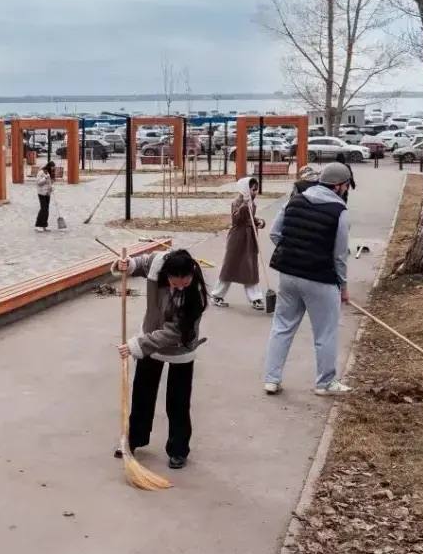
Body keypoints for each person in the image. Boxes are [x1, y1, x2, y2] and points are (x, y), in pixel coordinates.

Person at [262, 162, 353, 396]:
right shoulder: (340, 211)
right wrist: (343, 286)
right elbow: (339, 255)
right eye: (345, 187)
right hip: (320, 279)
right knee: (325, 332)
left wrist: (293, 250)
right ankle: (325, 383)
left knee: (282, 327)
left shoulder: (295, 199)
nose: (345, 191)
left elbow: (274, 233)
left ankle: (271, 379)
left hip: (288, 275)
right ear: (339, 186)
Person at [113, 249, 209, 469]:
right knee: (142, 394)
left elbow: (174, 332)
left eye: (186, 282)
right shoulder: (159, 265)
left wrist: (136, 345)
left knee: (178, 402)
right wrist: (128, 264)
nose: (181, 287)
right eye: (176, 284)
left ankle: (178, 449)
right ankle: (133, 439)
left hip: (181, 349)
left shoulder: (196, 295)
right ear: (167, 275)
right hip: (150, 337)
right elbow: (144, 262)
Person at [211, 177, 267, 310]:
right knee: (230, 266)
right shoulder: (237, 202)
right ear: (245, 189)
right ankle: (217, 295)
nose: (255, 193)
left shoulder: (252, 203)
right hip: (237, 238)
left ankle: (256, 298)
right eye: (253, 190)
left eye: (256, 190)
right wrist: (244, 206)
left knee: (251, 267)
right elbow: (236, 219)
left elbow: (251, 219)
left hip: (250, 238)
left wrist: (259, 222)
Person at [35, 161, 55, 232]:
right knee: (43, 209)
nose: (53, 169)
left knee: (46, 209)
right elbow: (38, 182)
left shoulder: (48, 173)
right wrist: (45, 178)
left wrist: (51, 188)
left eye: (53, 168)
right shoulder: (41, 172)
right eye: (52, 167)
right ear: (49, 166)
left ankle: (44, 225)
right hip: (41, 193)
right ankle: (38, 225)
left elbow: (49, 183)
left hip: (47, 193)